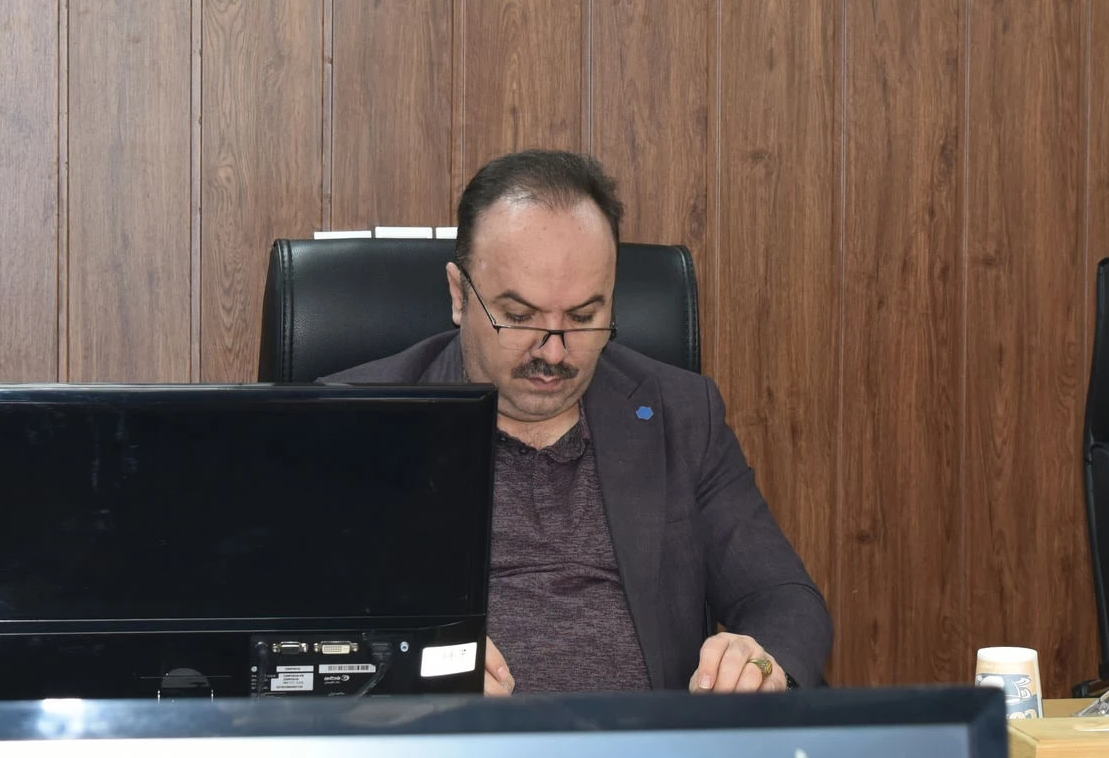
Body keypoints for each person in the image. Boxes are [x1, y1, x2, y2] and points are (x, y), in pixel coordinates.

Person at [328, 149, 832, 695]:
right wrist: (411, 672)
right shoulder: (356, 421)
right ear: (459, 295)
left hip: (645, 743)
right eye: (519, 317)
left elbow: (783, 599)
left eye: (583, 317)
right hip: (450, 745)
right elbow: (294, 629)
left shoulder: (680, 413)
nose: (554, 351)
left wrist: (758, 663)